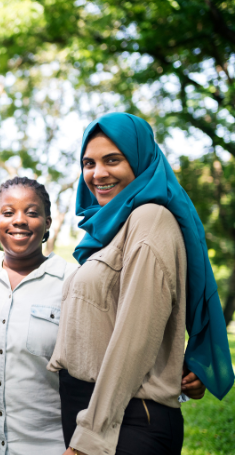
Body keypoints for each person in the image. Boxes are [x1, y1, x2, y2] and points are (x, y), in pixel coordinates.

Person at [48, 113, 234, 455]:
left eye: (112, 160)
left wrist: (91, 436)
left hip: (124, 421)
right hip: (99, 409)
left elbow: (135, 336)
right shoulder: (114, 229)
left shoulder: (150, 219)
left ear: (141, 161)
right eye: (89, 163)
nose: (97, 173)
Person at [0, 177, 74, 454]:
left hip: (49, 446)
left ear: (48, 223)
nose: (19, 220)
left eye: (31, 212)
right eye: (8, 213)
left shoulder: (72, 283)